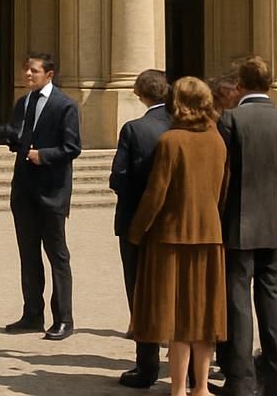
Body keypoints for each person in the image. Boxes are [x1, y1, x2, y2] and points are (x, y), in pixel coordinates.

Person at [0, 51, 82, 340]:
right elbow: (17, 135)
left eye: (34, 71)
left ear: (49, 75)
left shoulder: (66, 106)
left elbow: (72, 147)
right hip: (24, 192)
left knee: (57, 257)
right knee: (28, 256)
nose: (27, 75)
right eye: (26, 70)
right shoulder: (24, 102)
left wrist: (45, 155)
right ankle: (32, 315)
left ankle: (64, 318)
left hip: (52, 192)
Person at [128, 75, 228, 396]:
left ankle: (179, 388)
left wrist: (137, 230)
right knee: (202, 317)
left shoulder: (171, 141)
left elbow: (156, 194)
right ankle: (201, 387)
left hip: (171, 236)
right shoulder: (217, 140)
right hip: (209, 234)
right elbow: (223, 190)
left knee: (176, 319)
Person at [215, 54, 277, 396]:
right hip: (269, 219)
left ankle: (241, 380)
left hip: (235, 220)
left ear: (239, 85)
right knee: (272, 297)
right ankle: (275, 380)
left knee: (238, 301)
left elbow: (223, 174)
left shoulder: (232, 119)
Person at [109, 69, 171, 389]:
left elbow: (118, 179)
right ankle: (181, 362)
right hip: (174, 226)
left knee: (140, 294)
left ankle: (146, 365)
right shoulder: (184, 127)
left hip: (137, 223)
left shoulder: (135, 129)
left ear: (139, 93)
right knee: (175, 293)